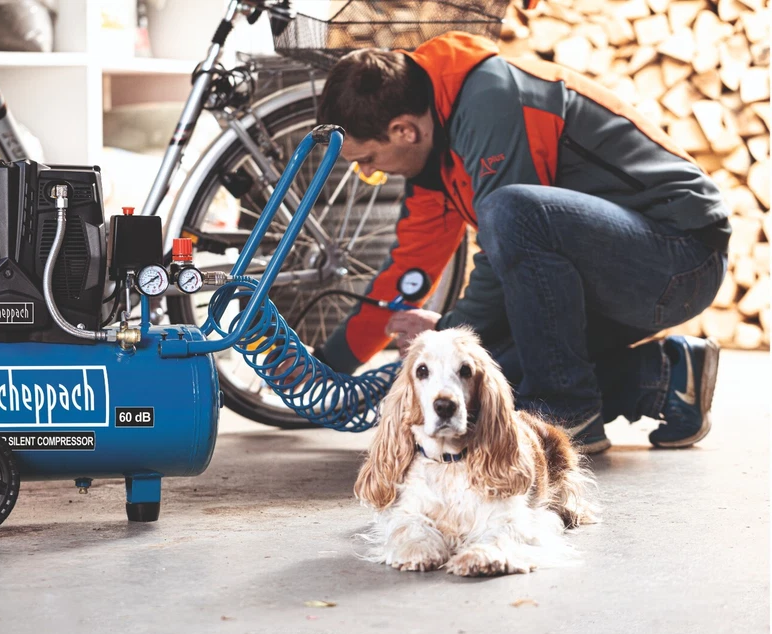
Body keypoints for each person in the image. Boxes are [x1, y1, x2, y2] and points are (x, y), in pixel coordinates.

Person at [309, 31, 731, 453]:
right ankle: (667, 376)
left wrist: (448, 333)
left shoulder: (489, 100)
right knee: (486, 389)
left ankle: (568, 414)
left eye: (366, 161)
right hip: (611, 272)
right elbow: (407, 271)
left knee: (509, 213)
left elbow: (511, 233)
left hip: (681, 256)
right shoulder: (431, 150)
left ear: (403, 131)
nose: (369, 171)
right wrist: (325, 370)